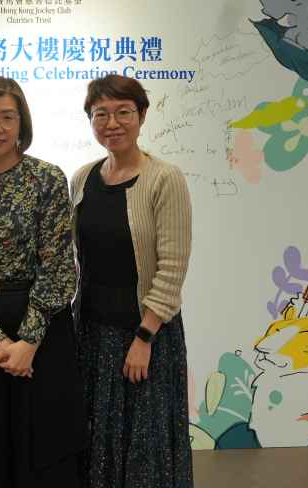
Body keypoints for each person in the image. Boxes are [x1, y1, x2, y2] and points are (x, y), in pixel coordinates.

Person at [0, 76, 84, 488]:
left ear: (21, 123)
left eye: (7, 117)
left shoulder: (47, 177)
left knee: (47, 443)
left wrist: (27, 341)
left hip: (44, 328)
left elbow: (59, 265)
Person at [71, 74, 193, 488]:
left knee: (145, 449)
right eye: (100, 114)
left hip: (145, 336)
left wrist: (144, 337)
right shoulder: (83, 178)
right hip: (93, 335)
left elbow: (172, 269)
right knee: (99, 444)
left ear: (141, 116)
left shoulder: (164, 179)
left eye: (123, 112)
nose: (112, 123)